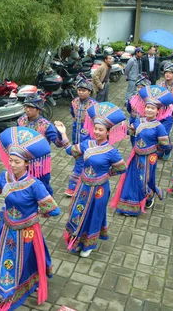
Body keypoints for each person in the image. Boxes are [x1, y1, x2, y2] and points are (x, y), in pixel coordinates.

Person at [0, 127, 59, 310]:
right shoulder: (5, 177)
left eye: (17, 162)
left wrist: (35, 216)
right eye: (11, 160)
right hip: (6, 228)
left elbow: (53, 209)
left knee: (22, 259)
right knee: (0, 259)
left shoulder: (34, 185)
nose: (12, 165)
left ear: (27, 164)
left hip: (26, 230)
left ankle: (10, 292)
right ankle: (1, 292)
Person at [55, 102, 127, 257]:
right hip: (83, 186)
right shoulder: (87, 143)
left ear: (108, 132)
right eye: (95, 128)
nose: (97, 132)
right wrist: (63, 134)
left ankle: (89, 244)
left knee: (94, 214)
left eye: (101, 130)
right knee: (78, 211)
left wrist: (106, 174)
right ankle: (77, 237)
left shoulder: (111, 152)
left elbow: (122, 168)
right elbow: (71, 151)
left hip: (99, 189)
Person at [110, 86, 173, 216]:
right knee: (133, 178)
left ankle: (150, 195)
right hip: (136, 155)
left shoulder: (159, 127)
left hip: (150, 157)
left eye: (153, 108)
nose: (149, 110)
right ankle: (131, 204)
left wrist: (157, 149)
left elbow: (166, 145)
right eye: (148, 107)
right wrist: (115, 127)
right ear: (144, 108)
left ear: (158, 111)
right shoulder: (139, 121)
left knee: (145, 179)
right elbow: (130, 131)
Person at [16, 91, 68, 195]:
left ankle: (49, 207)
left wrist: (60, 133)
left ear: (38, 109)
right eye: (26, 106)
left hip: (40, 163)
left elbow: (58, 143)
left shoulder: (46, 125)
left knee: (42, 186)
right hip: (23, 160)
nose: (27, 109)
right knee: (23, 184)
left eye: (31, 107)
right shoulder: (21, 121)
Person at [65, 78, 98, 197]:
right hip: (76, 135)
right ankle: (85, 182)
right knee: (80, 160)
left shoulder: (94, 105)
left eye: (84, 90)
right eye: (79, 90)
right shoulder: (74, 102)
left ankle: (72, 187)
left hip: (89, 137)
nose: (81, 92)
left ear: (89, 91)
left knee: (80, 162)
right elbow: (73, 114)